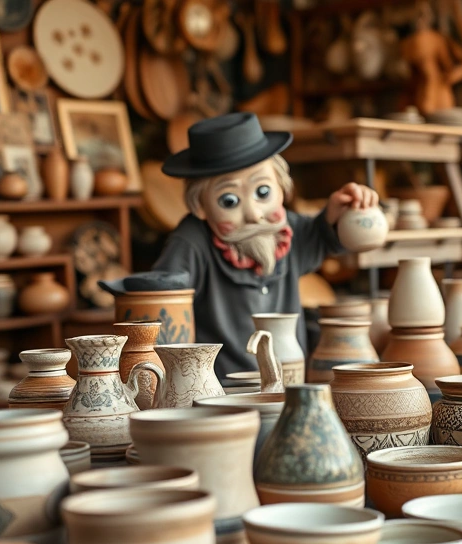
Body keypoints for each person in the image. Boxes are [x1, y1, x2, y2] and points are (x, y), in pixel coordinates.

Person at [152, 113, 379, 379]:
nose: (254, 214)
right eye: (229, 201)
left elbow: (320, 235)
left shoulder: (285, 232)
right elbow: (160, 300)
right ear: (200, 207)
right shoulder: (192, 242)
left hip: (290, 384)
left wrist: (339, 213)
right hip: (224, 393)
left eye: (263, 192)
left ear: (281, 187)